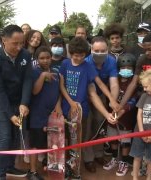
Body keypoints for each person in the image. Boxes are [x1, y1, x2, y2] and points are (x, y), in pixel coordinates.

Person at [59, 37, 115, 179]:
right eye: (75, 55)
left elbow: (98, 87)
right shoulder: (65, 64)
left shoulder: (88, 66)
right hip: (66, 108)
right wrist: (71, 102)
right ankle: (66, 168)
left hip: (81, 111)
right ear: (70, 53)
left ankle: (75, 170)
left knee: (77, 141)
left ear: (86, 54)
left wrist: (111, 101)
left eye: (82, 55)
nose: (78, 58)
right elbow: (61, 86)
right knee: (64, 140)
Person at [0, 24, 32, 180]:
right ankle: (0, 175)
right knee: (4, 137)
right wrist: (10, 114)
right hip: (0, 103)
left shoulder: (26, 55)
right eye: (15, 43)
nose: (19, 47)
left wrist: (24, 103)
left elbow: (28, 80)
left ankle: (10, 166)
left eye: (22, 43)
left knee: (17, 136)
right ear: (3, 41)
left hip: (19, 102)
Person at [84, 36, 120, 173]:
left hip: (103, 96)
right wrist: (107, 110)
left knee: (100, 125)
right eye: (96, 50)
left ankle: (99, 154)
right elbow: (92, 93)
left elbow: (114, 84)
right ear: (91, 50)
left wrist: (113, 102)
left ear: (108, 50)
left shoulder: (111, 61)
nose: (99, 53)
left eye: (102, 50)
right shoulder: (86, 63)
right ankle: (88, 159)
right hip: (86, 96)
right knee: (88, 125)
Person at [27, 46, 60, 180]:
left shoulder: (56, 72)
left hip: (52, 115)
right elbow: (34, 91)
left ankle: (50, 165)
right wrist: (42, 76)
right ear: (37, 59)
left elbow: (60, 91)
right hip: (37, 115)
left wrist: (58, 106)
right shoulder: (34, 72)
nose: (45, 60)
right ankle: (33, 171)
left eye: (47, 57)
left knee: (51, 141)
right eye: (42, 58)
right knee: (35, 143)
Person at [103, 53, 138, 176]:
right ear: (118, 69)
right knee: (112, 139)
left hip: (127, 118)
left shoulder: (134, 84)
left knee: (125, 141)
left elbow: (134, 100)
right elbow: (108, 98)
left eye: (129, 68)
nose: (126, 70)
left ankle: (123, 162)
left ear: (134, 69)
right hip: (113, 116)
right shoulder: (114, 81)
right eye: (123, 68)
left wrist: (124, 109)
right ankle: (114, 158)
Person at [130, 69, 151, 180]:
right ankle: (135, 177)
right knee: (137, 156)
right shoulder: (144, 96)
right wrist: (141, 132)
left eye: (146, 87)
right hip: (140, 133)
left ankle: (149, 177)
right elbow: (139, 114)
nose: (144, 89)